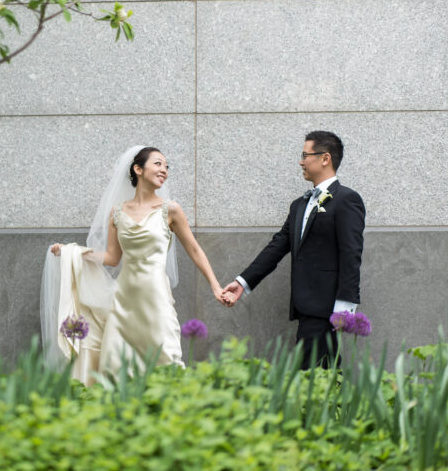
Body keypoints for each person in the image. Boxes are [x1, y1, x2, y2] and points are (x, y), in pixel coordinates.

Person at [41, 146, 226, 382]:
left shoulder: (171, 210)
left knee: (165, 361)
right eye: (158, 164)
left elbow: (194, 249)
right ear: (138, 169)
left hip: (156, 299)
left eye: (167, 166)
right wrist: (73, 252)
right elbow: (111, 258)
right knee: (116, 369)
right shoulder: (117, 213)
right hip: (123, 303)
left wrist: (215, 286)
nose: (164, 170)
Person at [220, 131, 364, 369]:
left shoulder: (347, 199)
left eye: (305, 155)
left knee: (316, 374)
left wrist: (345, 307)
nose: (301, 161)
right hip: (304, 305)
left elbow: (352, 254)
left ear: (325, 158)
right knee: (317, 373)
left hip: (327, 307)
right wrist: (243, 282)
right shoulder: (299, 205)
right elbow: (277, 246)